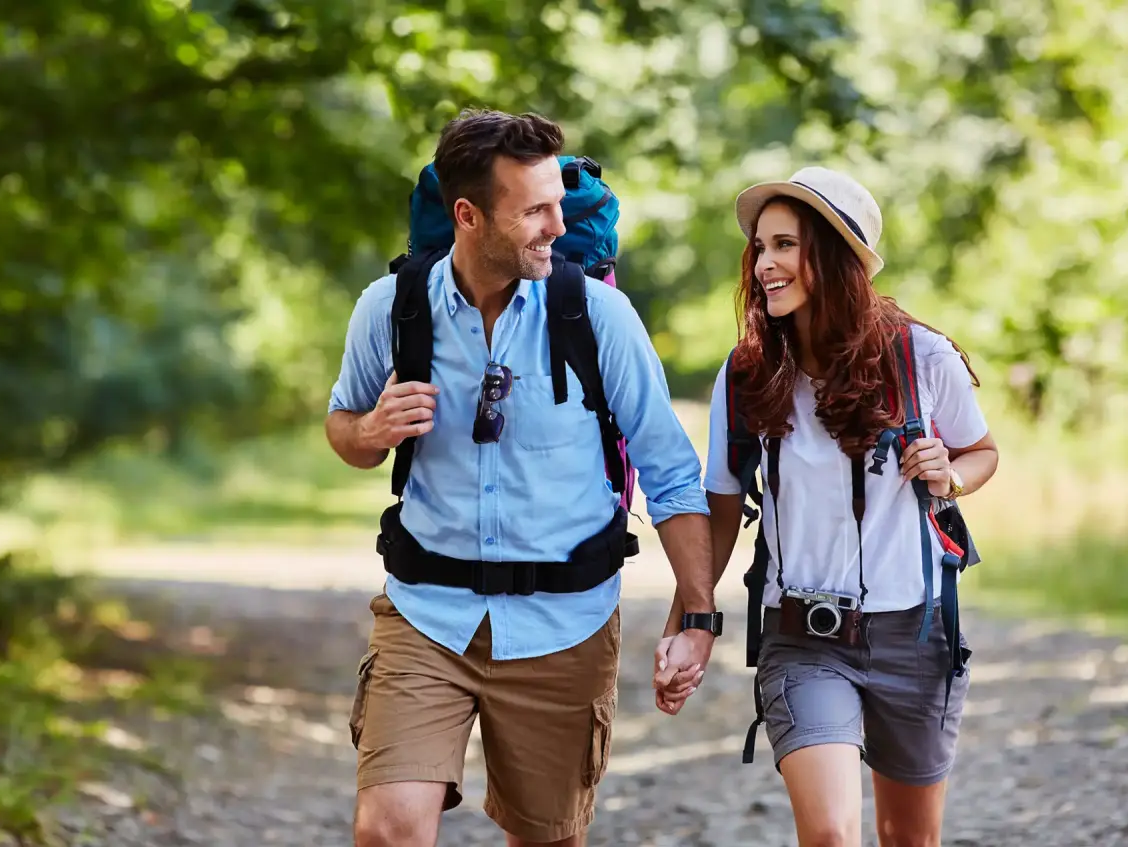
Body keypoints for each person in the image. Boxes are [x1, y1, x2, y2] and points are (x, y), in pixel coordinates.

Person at [325, 108, 720, 847]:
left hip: (563, 625)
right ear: (467, 215)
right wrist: (370, 432)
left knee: (547, 839)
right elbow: (343, 427)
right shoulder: (391, 309)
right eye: (534, 209)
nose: (555, 223)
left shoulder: (596, 314)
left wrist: (697, 615)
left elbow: (671, 472)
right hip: (426, 616)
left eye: (559, 203)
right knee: (386, 828)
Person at [654, 166, 1000, 846]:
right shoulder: (748, 371)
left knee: (909, 839)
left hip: (916, 635)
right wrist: (689, 622)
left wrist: (949, 473)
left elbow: (983, 451)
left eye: (786, 245)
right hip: (803, 637)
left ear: (835, 257)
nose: (764, 264)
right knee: (832, 833)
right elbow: (720, 506)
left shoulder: (922, 357)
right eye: (760, 246)